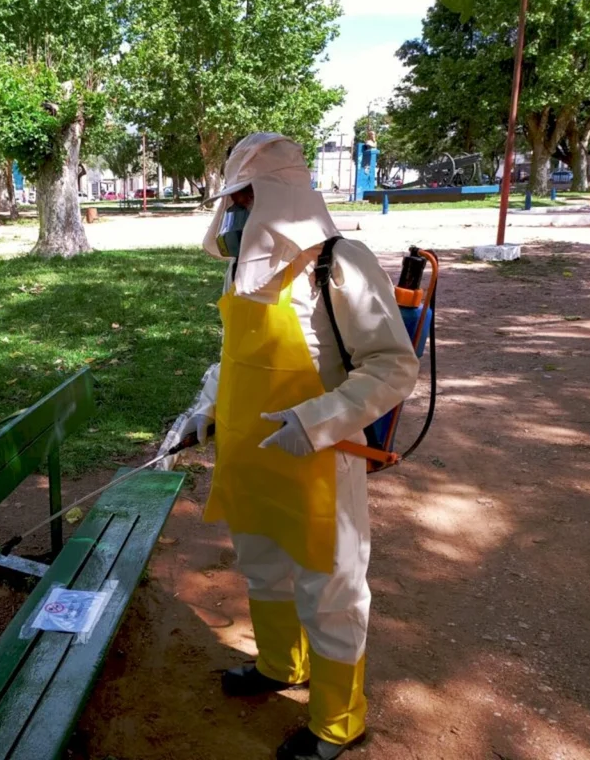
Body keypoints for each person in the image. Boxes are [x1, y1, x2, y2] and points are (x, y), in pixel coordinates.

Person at [166, 133, 419, 759]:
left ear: (283, 194)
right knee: (263, 570)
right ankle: (281, 667)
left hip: (320, 466)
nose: (238, 211)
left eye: (248, 196)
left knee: (330, 592)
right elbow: (235, 355)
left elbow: (392, 366)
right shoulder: (242, 262)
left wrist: (316, 421)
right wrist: (203, 411)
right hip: (251, 461)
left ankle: (338, 725)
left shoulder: (341, 263)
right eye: (234, 198)